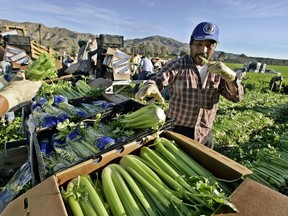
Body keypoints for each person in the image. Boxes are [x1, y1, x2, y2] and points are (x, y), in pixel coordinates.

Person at [135, 22, 244, 148]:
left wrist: (230, 77)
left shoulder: (219, 71)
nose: (203, 50)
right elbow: (158, 79)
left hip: (204, 134)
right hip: (176, 130)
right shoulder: (178, 64)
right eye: (198, 44)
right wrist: (151, 85)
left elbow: (236, 97)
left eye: (209, 46)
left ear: (214, 48)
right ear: (190, 44)